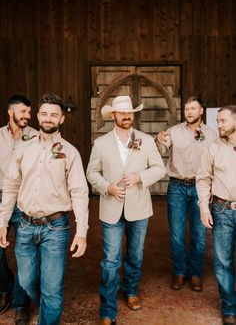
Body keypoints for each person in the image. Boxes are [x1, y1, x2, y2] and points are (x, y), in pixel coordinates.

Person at [0, 93, 89, 325]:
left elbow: (80, 192)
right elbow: (10, 187)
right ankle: (43, 303)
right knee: (27, 280)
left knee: (52, 287)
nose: (48, 118)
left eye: (54, 115)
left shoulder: (70, 153)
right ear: (38, 116)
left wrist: (82, 231)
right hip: (26, 225)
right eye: (45, 114)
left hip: (56, 228)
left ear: (61, 120)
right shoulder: (23, 149)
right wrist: (2, 222)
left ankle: (49, 311)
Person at [87, 95, 166, 325]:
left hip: (139, 208)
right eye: (122, 113)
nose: (127, 117)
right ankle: (108, 308)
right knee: (110, 260)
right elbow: (91, 173)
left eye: (130, 113)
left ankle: (130, 290)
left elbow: (159, 169)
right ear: (113, 116)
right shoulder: (101, 143)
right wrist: (107, 187)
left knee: (135, 254)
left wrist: (140, 176)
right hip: (111, 207)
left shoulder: (145, 140)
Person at [155, 96, 217, 292]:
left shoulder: (212, 135)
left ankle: (196, 273)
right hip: (177, 188)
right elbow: (159, 150)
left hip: (201, 189)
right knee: (177, 233)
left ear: (201, 111)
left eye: (193, 108)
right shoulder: (174, 131)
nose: (189, 112)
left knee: (199, 234)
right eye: (186, 109)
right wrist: (158, 141)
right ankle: (180, 272)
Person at [196, 105, 236, 325]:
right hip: (222, 210)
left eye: (223, 121)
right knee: (223, 262)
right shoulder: (212, 148)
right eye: (218, 121)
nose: (219, 125)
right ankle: (229, 308)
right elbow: (203, 179)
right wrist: (204, 207)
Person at [0, 95, 35, 324]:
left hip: (23, 203)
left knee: (25, 256)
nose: (27, 116)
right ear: (10, 112)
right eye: (23, 112)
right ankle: (5, 288)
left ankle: (21, 303)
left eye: (29, 113)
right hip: (0, 199)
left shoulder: (35, 137)